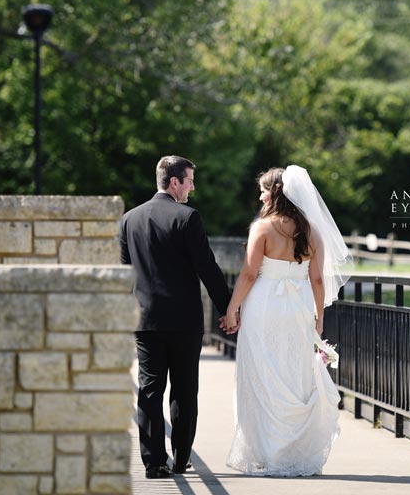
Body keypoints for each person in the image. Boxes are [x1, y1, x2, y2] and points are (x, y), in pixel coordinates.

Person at [223, 165, 353, 476]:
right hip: (297, 308)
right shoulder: (311, 231)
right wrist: (318, 319)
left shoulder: (262, 228)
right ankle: (294, 451)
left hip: (263, 307)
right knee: (294, 375)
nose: (260, 195)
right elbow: (318, 280)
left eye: (263, 190)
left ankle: (268, 451)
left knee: (262, 374)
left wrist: (232, 309)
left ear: (276, 193)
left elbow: (250, 274)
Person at [118, 155, 233, 479]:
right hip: (184, 321)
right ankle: (181, 458)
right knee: (184, 390)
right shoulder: (188, 218)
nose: (193, 187)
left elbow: (124, 273)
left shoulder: (129, 219)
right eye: (190, 180)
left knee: (150, 390)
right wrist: (228, 308)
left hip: (145, 319)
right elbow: (207, 268)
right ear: (174, 183)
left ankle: (154, 462)